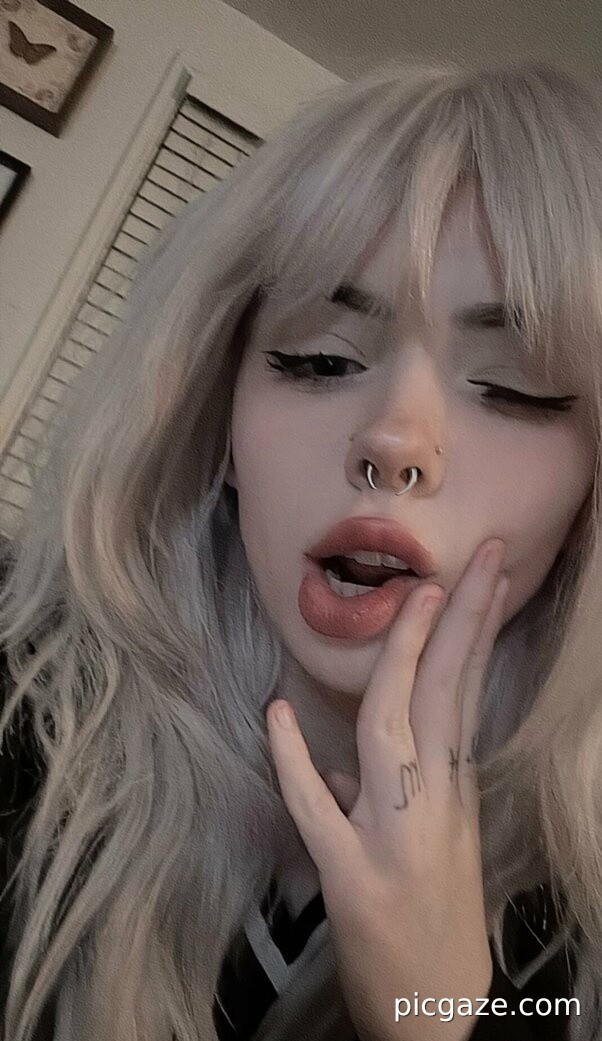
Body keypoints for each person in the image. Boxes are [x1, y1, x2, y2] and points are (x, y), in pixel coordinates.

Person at [0, 56, 600, 1041]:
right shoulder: (28, 719)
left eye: (511, 388)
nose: (395, 442)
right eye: (320, 360)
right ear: (220, 424)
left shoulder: (578, 917)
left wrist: (445, 1018)